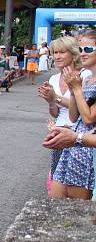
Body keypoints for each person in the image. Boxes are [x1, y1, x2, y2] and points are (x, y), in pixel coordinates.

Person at [38, 36, 89, 180]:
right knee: (57, 179)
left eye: (62, 52)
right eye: (55, 53)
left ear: (73, 54)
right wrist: (50, 101)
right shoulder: (54, 78)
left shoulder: (85, 75)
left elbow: (81, 107)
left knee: (75, 181)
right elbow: (55, 112)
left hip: (78, 133)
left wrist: (56, 97)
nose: (57, 56)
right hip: (58, 132)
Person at [50, 39, 96, 199]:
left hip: (85, 144)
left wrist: (75, 89)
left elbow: (89, 118)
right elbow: (73, 116)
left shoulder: (87, 75)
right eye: (81, 48)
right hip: (72, 137)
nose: (83, 52)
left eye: (88, 48)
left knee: (77, 208)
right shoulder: (86, 78)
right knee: (55, 199)